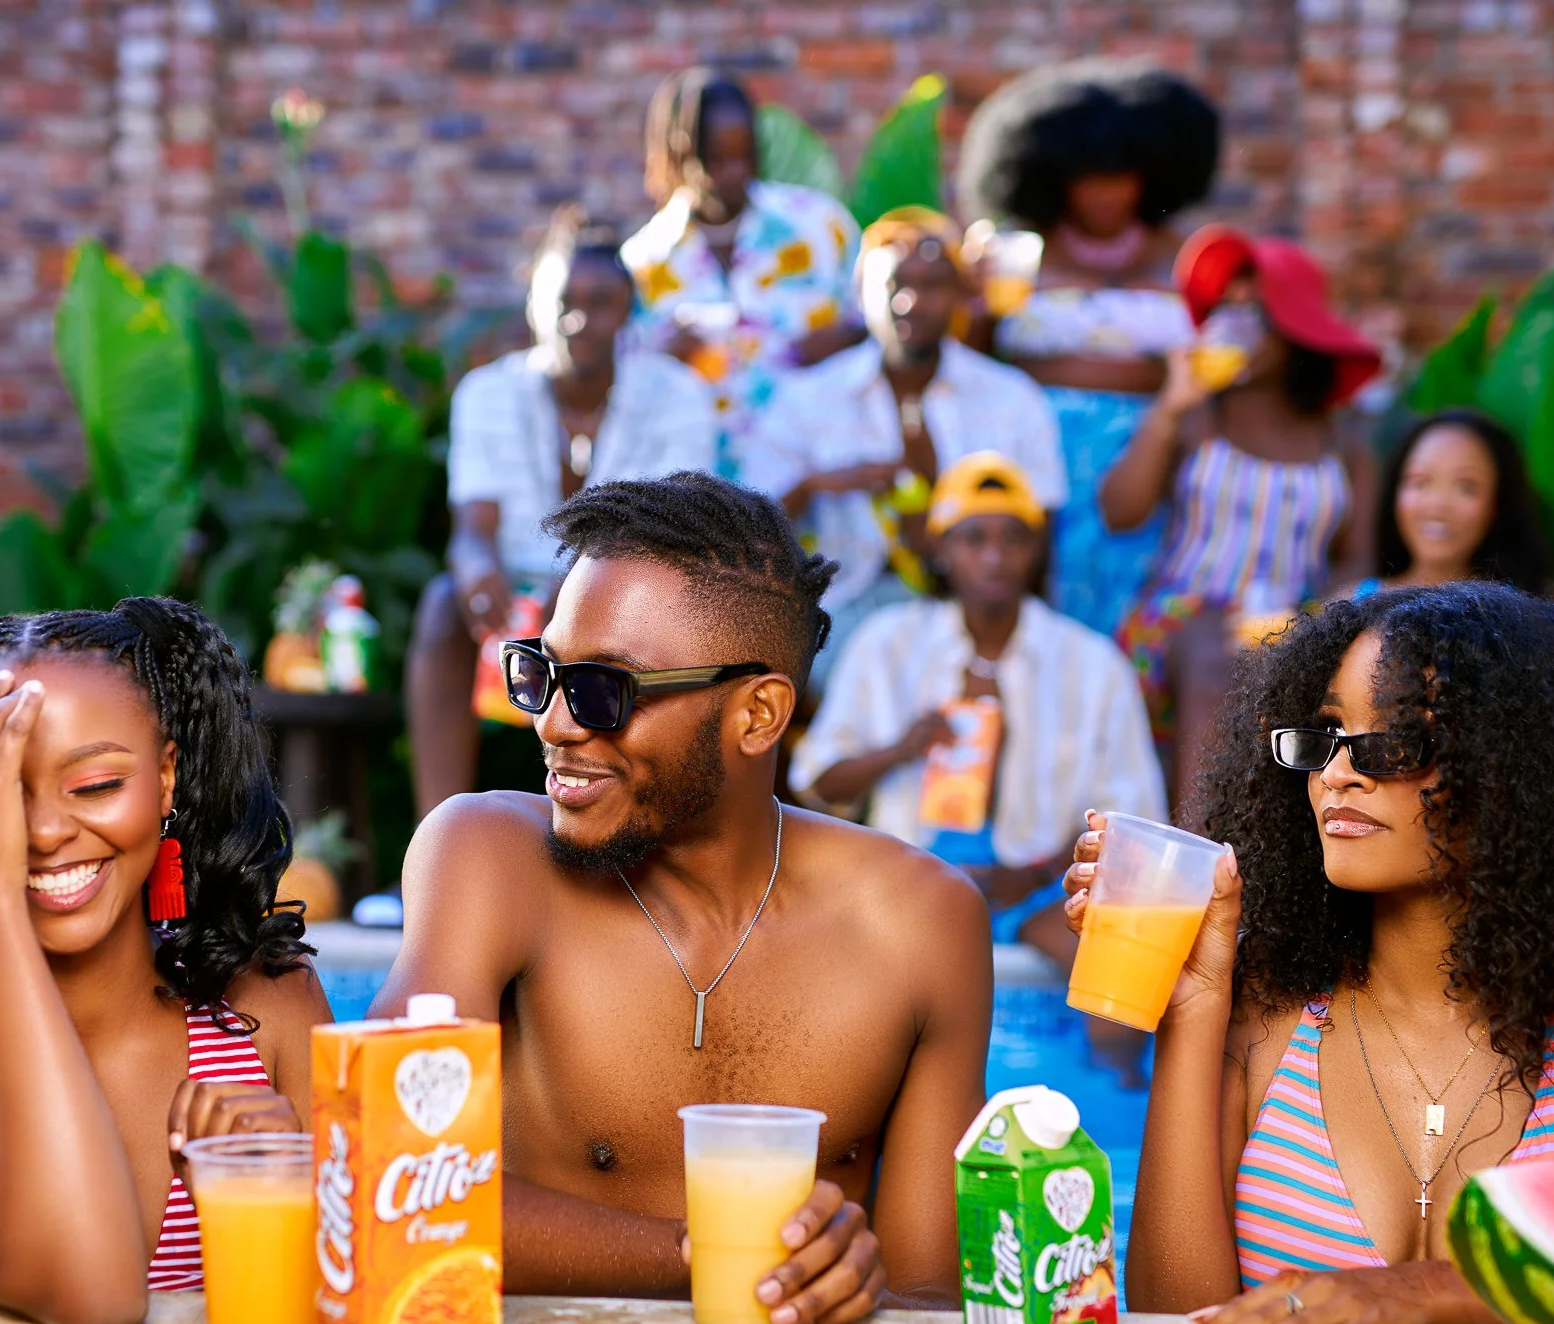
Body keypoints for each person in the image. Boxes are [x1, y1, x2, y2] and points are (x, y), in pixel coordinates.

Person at [1060, 583, 1554, 1324]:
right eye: (1327, 735)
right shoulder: (1263, 995)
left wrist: (1424, 1293)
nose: (1339, 774)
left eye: (1395, 742)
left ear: (1514, 769)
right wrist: (1195, 1003)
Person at [372, 472, 992, 1324]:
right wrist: (707, 1253)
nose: (554, 722)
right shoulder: (486, 859)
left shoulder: (921, 923)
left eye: (603, 690)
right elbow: (386, 1171)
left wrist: (854, 1275)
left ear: (758, 714)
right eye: (542, 671)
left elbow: (925, 1306)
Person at [0, 599, 331, 1324]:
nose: (48, 831)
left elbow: (368, 1294)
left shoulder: (268, 1009)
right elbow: (92, 1293)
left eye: (95, 786)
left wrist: (284, 1183)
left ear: (167, 776)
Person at [407, 209, 718, 818]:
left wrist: (581, 594)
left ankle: (640, 843)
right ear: (533, 305)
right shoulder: (488, 393)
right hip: (516, 597)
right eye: (561, 300)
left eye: (600, 301)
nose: (578, 318)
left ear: (628, 310)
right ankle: (435, 841)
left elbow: (672, 536)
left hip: (633, 597)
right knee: (444, 603)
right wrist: (476, 573)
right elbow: (473, 529)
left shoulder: (677, 395)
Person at [790, 453, 1162, 960]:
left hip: (1044, 897)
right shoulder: (888, 644)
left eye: (1013, 538)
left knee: (1119, 962)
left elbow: (1131, 820)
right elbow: (815, 784)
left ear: (1036, 551)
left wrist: (1033, 874)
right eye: (973, 539)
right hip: (906, 889)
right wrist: (900, 750)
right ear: (942, 549)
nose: (994, 558)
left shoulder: (1093, 664)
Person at [1103, 225, 1383, 788]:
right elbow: (1120, 512)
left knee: (1271, 659)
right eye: (1226, 309)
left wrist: (1314, 617)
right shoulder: (1198, 420)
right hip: (1177, 621)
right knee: (1215, 652)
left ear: (1294, 326)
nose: (1236, 326)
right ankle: (1199, 843)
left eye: (1254, 311)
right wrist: (1168, 408)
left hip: (1293, 620)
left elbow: (1357, 559)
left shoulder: (1344, 444)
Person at [745, 209, 1065, 688]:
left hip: (982, 612)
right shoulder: (809, 399)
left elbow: (1042, 527)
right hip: (842, 614)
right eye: (894, 283)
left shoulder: (1010, 398)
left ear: (959, 295)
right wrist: (819, 484)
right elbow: (751, 533)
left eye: (933, 284)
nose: (910, 301)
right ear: (860, 292)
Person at [956, 60, 1220, 636]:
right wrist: (972, 306)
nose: (1105, 192)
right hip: (1030, 447)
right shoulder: (1016, 257)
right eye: (1087, 175)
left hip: (1148, 455)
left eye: (1121, 174)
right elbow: (976, 359)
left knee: (1133, 606)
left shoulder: (1184, 259)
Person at [621, 68, 866, 473]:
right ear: (679, 155)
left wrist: (842, 338)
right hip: (701, 491)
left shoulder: (820, 227)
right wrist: (666, 357)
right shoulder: (645, 262)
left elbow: (878, 323)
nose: (734, 172)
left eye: (744, 155)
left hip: (815, 475)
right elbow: (622, 389)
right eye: (716, 160)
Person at [1349, 409, 1552, 598]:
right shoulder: (1352, 603)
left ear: (1497, 503)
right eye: (1420, 482)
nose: (1438, 505)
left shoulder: (1526, 613)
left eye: (1466, 487)